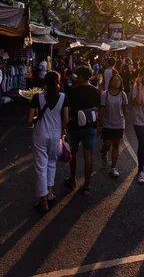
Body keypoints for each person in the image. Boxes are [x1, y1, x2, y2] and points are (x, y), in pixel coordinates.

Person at [28, 71, 69, 212]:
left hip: (40, 134)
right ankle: (50, 193)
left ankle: (43, 201)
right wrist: (63, 130)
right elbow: (66, 119)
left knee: (41, 166)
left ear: (44, 82)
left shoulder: (37, 97)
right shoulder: (63, 97)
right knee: (51, 163)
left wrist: (36, 118)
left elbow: (30, 119)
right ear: (59, 82)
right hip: (55, 134)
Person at [65, 66, 101, 195]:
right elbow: (100, 109)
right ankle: (86, 185)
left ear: (81, 77)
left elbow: (68, 110)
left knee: (73, 152)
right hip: (91, 126)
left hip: (75, 126)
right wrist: (100, 125)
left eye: (77, 75)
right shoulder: (96, 91)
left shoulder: (73, 91)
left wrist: (65, 125)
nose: (75, 77)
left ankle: (73, 179)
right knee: (88, 155)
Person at [99, 74, 128, 180]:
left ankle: (113, 167)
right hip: (107, 124)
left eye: (118, 81)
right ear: (111, 82)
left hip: (119, 124)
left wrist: (125, 122)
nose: (116, 82)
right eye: (114, 80)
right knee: (107, 144)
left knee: (116, 145)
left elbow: (125, 108)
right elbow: (101, 109)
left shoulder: (122, 94)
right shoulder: (105, 95)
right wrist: (100, 124)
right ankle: (104, 151)